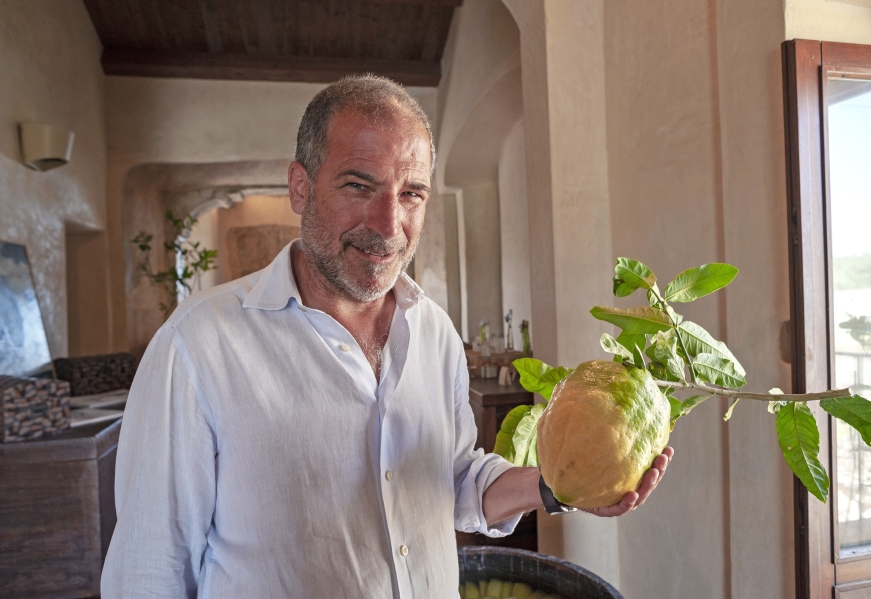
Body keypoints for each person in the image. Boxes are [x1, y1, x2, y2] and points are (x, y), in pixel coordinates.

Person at [100, 75, 672, 599]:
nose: (388, 224)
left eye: (412, 194)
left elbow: (451, 478)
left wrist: (557, 486)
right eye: (359, 184)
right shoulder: (197, 346)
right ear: (300, 187)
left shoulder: (433, 330)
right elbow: (149, 570)